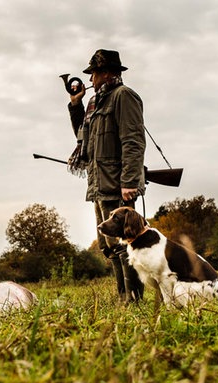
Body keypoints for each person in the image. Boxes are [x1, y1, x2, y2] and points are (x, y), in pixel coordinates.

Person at [66, 49, 146, 302]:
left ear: (105, 73)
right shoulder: (95, 103)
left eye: (93, 74)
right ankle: (124, 298)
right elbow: (83, 136)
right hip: (99, 183)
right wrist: (76, 104)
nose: (89, 80)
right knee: (108, 246)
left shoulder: (123, 96)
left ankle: (134, 301)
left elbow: (133, 141)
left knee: (125, 246)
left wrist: (129, 182)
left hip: (117, 183)